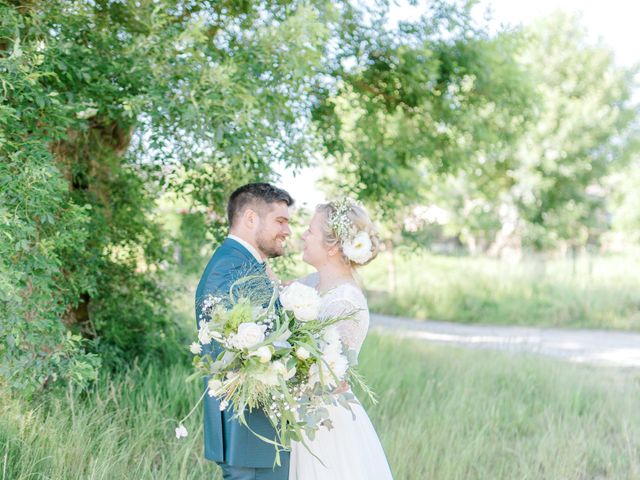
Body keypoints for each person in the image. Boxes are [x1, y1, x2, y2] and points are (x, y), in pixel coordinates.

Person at [288, 198, 394, 479]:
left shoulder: (346, 301)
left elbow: (329, 376)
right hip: (296, 411)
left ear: (332, 246)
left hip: (323, 421)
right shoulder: (311, 283)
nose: (302, 235)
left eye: (310, 230)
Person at [195, 182, 294, 480]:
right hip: (245, 427)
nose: (287, 231)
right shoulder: (230, 267)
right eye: (280, 221)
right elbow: (228, 348)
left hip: (257, 424)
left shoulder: (246, 264)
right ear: (251, 218)